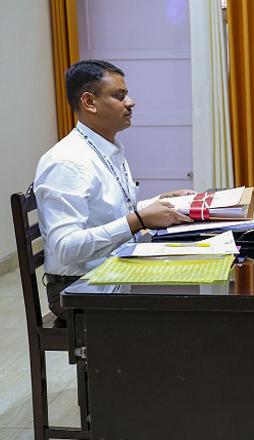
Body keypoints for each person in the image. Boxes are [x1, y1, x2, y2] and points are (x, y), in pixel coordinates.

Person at [34, 59, 194, 321]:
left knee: (193, 279)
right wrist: (137, 221)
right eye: (119, 96)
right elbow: (66, 247)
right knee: (185, 308)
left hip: (112, 269)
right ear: (89, 102)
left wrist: (160, 202)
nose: (131, 102)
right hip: (78, 288)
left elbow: (114, 212)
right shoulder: (67, 162)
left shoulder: (107, 147)